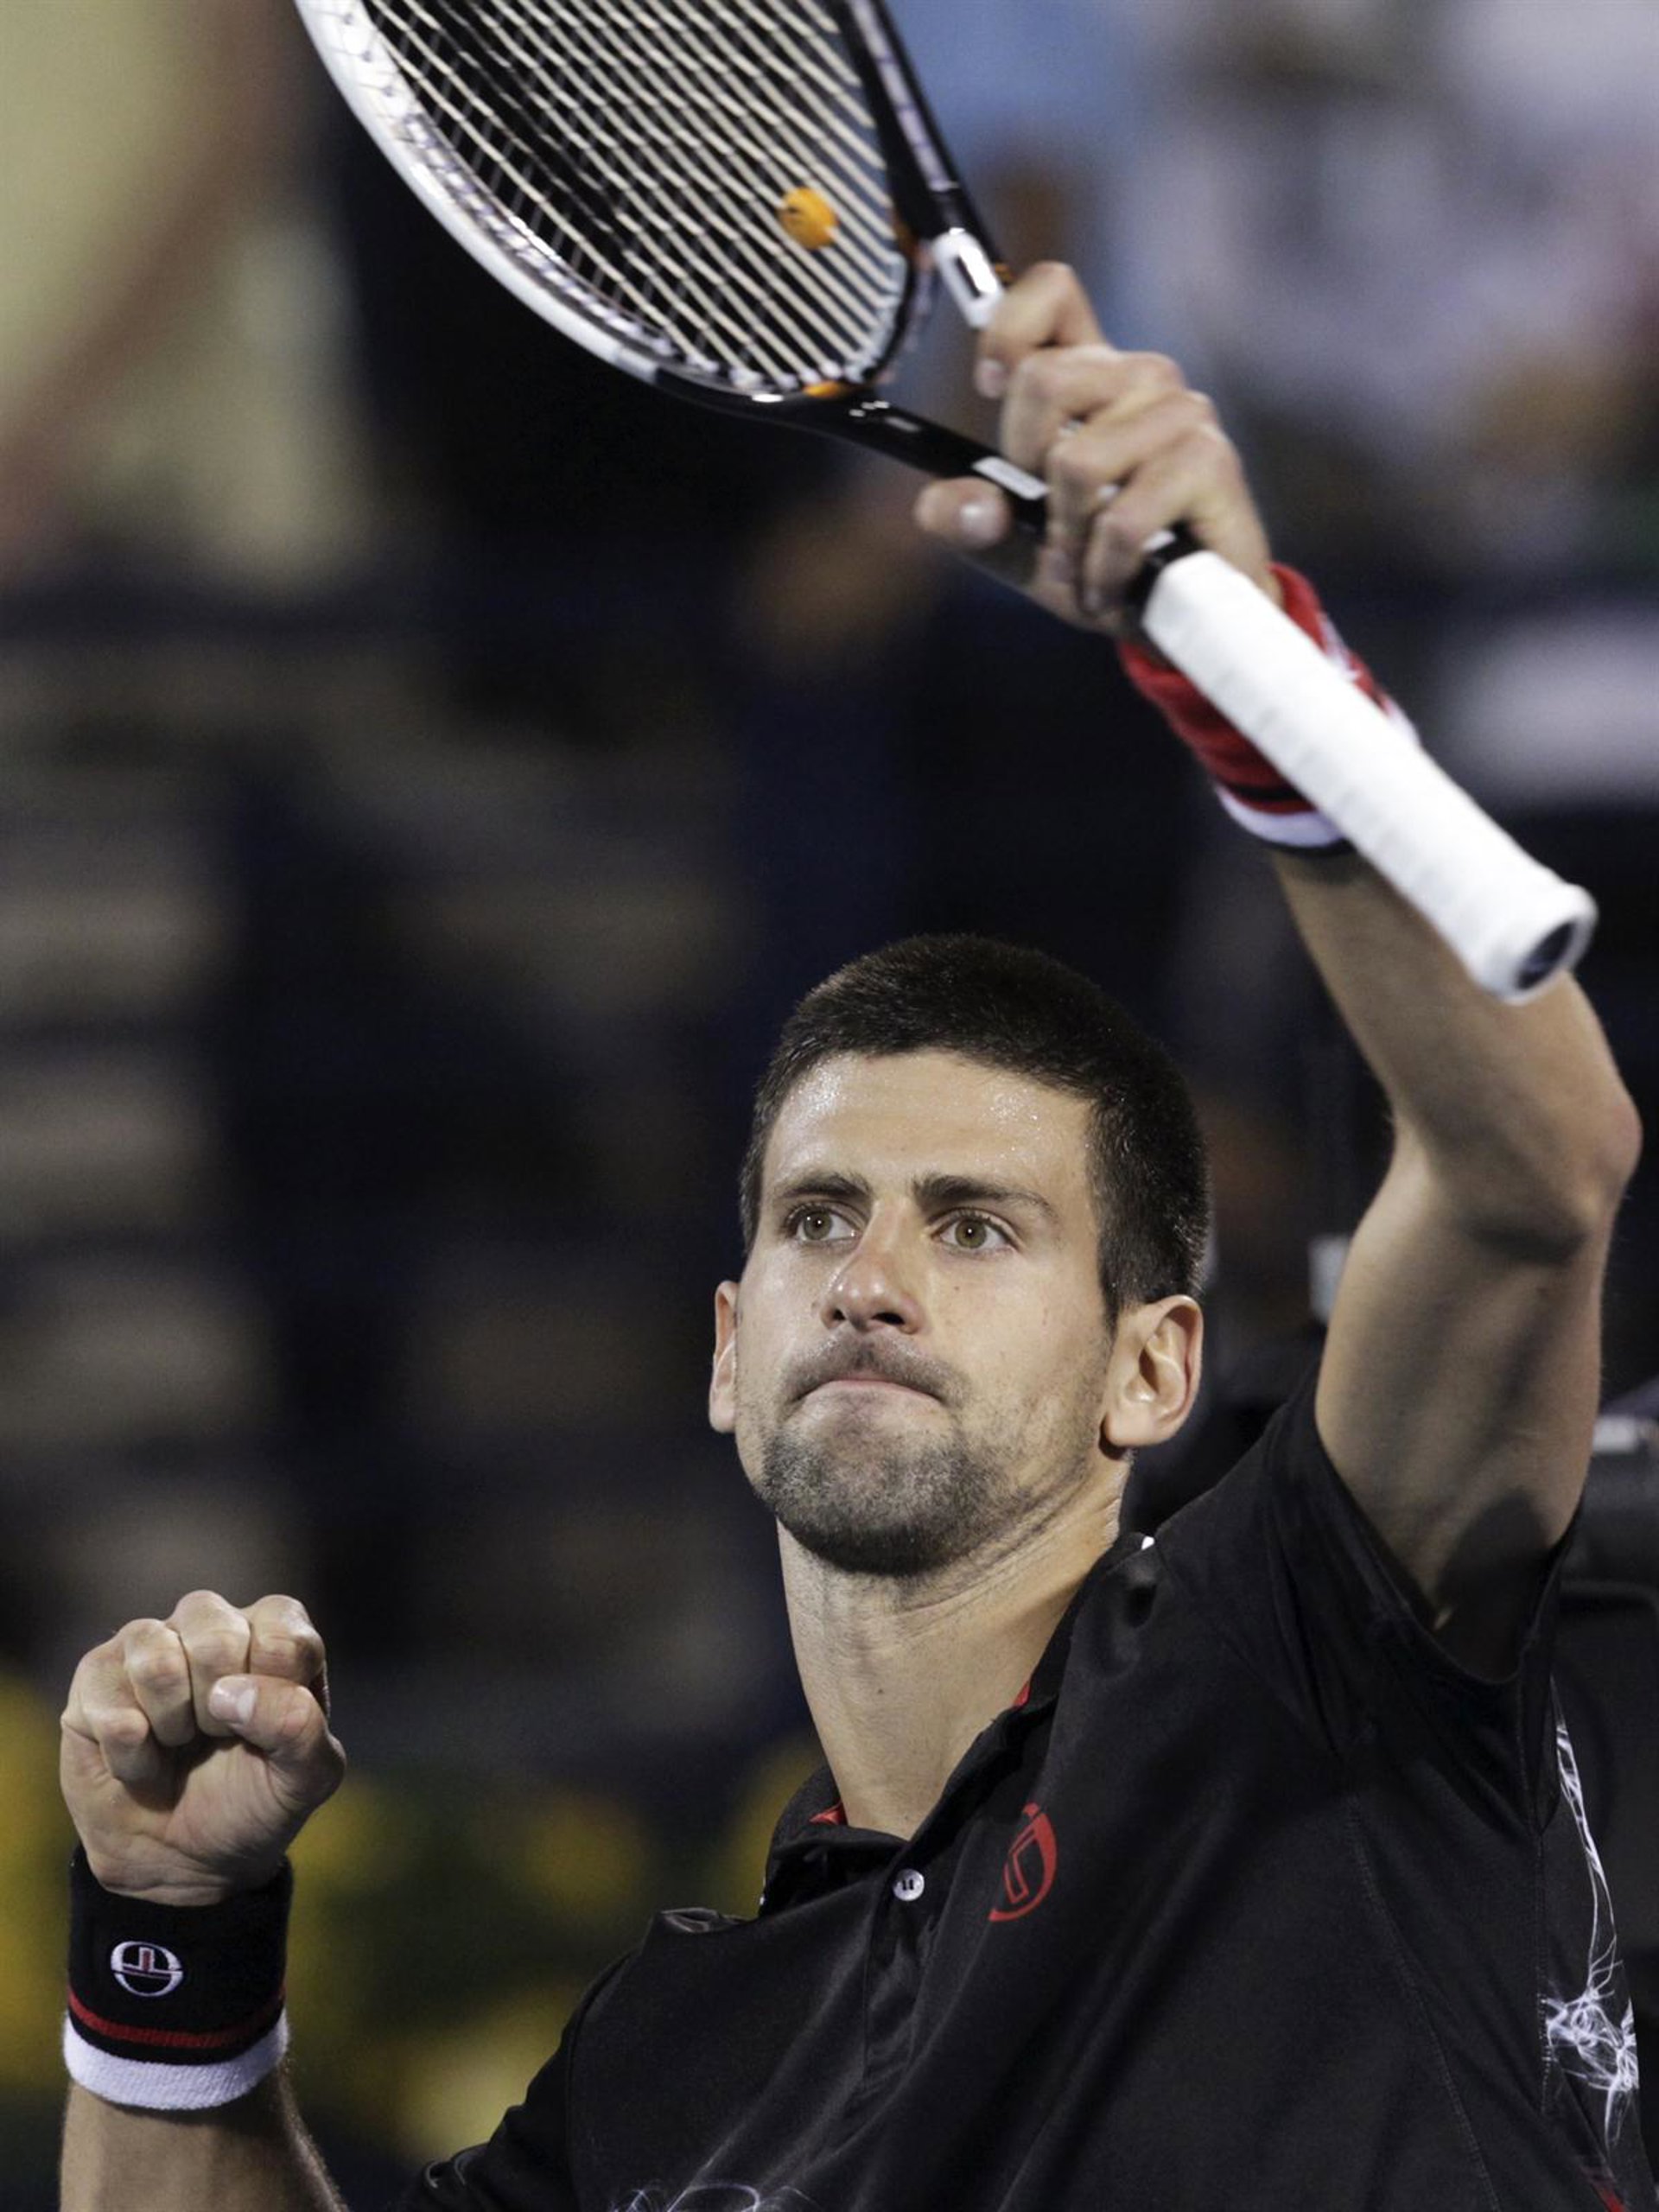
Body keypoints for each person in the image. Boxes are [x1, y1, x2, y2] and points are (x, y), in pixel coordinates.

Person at [58, 265, 1651, 2210]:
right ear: (731, 1348)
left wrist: (1248, 655)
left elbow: (1530, 1177)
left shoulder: (1306, 1657)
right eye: (820, 1217)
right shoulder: (664, 2073)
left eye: (977, 1228)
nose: (872, 1278)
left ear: (1155, 1364)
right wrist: (170, 1931)